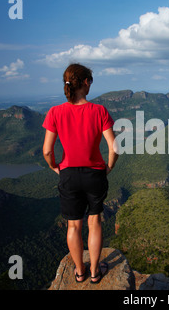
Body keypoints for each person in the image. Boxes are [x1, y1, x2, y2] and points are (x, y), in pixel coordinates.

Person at [42, 63, 118, 284]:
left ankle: (79, 271)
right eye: (90, 82)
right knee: (95, 222)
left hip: (68, 175)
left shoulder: (55, 112)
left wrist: (54, 166)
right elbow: (114, 148)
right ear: (85, 83)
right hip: (95, 174)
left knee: (73, 225)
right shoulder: (99, 111)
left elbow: (47, 150)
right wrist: (108, 167)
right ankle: (95, 272)